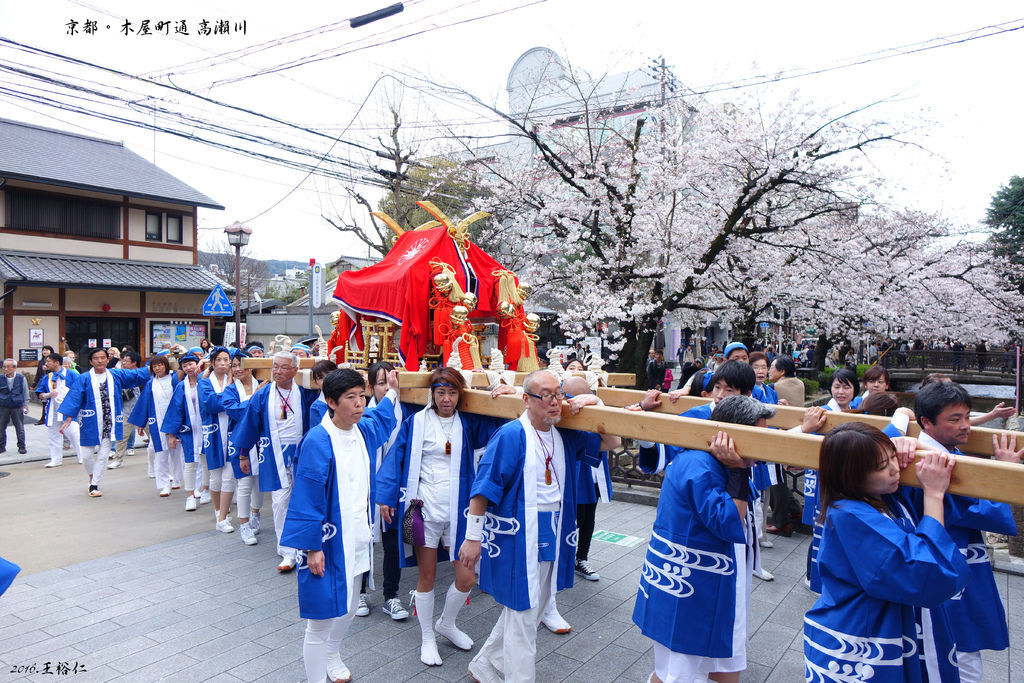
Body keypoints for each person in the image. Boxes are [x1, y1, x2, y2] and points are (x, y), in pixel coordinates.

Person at [461, 370, 612, 683]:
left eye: (558, 393)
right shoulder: (510, 435)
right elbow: (483, 489)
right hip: (519, 532)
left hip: (555, 528)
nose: (555, 402)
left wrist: (596, 400)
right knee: (524, 614)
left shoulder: (565, 433)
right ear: (526, 400)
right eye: (546, 395)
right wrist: (472, 538)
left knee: (533, 606)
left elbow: (612, 441)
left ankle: (485, 663)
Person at [804, 422, 969, 682]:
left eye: (894, 457)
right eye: (882, 466)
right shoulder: (851, 515)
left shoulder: (879, 496)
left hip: (869, 627)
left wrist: (914, 444)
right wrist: (934, 495)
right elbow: (929, 571)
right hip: (864, 637)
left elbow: (904, 418)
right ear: (851, 475)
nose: (895, 470)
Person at [633, 396, 775, 683]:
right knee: (676, 674)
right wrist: (738, 471)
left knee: (724, 667)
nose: (765, 443)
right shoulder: (699, 465)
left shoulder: (716, 460)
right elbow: (728, 521)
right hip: (689, 591)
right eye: (759, 434)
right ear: (732, 433)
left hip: (714, 587)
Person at [376, 368, 513, 665]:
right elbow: (395, 456)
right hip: (420, 510)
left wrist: (507, 393)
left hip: (460, 510)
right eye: (440, 392)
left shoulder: (469, 422)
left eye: (452, 392)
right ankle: (427, 637)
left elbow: (504, 427)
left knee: (466, 577)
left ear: (460, 394)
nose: (446, 398)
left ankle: (446, 623)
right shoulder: (417, 421)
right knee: (426, 576)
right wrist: (386, 495)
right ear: (432, 393)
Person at [281, 368, 401, 683]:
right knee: (320, 620)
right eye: (351, 398)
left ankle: (333, 654)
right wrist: (312, 548)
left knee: (349, 604)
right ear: (332, 402)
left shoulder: (363, 429)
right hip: (328, 541)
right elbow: (306, 496)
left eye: (362, 396)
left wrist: (390, 393)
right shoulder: (318, 439)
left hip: (358, 535)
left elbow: (383, 420)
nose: (360, 404)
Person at [912, 381, 1022, 682]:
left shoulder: (938, 449)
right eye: (955, 419)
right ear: (926, 422)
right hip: (944, 563)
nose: (966, 426)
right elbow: (987, 514)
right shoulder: (934, 462)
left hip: (948, 559)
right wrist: (1004, 474)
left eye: (967, 416)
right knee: (957, 657)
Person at [230, 350, 322, 572]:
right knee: (280, 502)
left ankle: (306, 546)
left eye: (283, 367)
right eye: (275, 367)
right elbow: (249, 424)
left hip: (302, 452)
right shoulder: (263, 395)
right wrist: (243, 454)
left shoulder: (304, 392)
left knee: (304, 500)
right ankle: (287, 550)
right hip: (274, 453)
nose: (278, 372)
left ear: (294, 370)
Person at [357, 361, 415, 621]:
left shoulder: (408, 411)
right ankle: (359, 592)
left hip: (393, 491)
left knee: (393, 546)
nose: (388, 387)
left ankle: (391, 596)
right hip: (366, 491)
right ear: (371, 387)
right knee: (362, 541)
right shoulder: (363, 414)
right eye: (381, 383)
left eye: (390, 382)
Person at [58, 347, 150, 497]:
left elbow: (136, 374)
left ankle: (94, 484)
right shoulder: (84, 378)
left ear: (108, 360)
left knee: (103, 455)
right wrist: (68, 419)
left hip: (110, 422)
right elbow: (74, 398)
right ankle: (91, 475)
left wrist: (158, 365)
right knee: (86, 455)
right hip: (90, 422)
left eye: (102, 358)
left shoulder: (116, 375)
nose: (100, 361)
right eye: (96, 358)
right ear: (90, 361)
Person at [566, 375, 621, 584]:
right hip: (573, 473)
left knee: (588, 517)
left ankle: (581, 558)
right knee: (573, 519)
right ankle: (565, 557)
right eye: (571, 369)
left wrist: (597, 403)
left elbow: (614, 441)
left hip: (592, 470)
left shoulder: (594, 406)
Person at [223, 348, 267, 546]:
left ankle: (255, 514)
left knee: (259, 482)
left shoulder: (264, 384)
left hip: (261, 440)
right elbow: (233, 411)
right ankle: (243, 524)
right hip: (241, 441)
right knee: (244, 483)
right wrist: (254, 397)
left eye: (239, 364)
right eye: (233, 366)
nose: (236, 368)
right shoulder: (231, 390)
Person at [198, 347, 240, 533]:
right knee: (215, 476)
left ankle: (223, 517)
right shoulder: (205, 383)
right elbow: (210, 404)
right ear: (212, 363)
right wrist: (230, 395)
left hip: (232, 431)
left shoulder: (237, 381)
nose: (223, 363)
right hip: (214, 432)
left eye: (226, 359)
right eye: (219, 360)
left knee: (229, 476)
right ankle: (217, 511)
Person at [128, 354, 180, 496]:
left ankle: (177, 479)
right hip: (157, 421)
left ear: (166, 365)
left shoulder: (175, 378)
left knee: (177, 452)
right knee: (161, 453)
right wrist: (141, 423)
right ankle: (164, 484)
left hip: (175, 420)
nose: (157, 368)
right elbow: (144, 403)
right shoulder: (151, 383)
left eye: (160, 365)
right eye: (154, 366)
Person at [161, 354, 208, 510]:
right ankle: (190, 496)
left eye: (191, 364)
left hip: (206, 428)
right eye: (185, 365)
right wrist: (172, 435)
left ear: (198, 364)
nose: (189, 368)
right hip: (189, 431)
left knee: (207, 462)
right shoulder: (181, 386)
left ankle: (206, 489)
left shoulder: (206, 381)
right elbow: (175, 410)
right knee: (190, 463)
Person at [36, 353, 79, 468]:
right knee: (53, 435)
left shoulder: (72, 374)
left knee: (74, 434)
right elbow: (39, 394)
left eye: (48, 361)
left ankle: (82, 456)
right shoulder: (47, 377)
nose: (46, 364)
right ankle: (55, 459)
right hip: (52, 410)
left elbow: (80, 391)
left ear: (56, 362)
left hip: (68, 411)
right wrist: (48, 395)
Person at [108, 351, 143, 470]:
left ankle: (157, 463)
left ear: (134, 363)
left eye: (126, 361)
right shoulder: (120, 374)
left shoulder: (143, 375)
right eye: (122, 361)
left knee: (154, 437)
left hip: (143, 411)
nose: (123, 363)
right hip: (126, 410)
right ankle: (118, 459)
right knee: (121, 436)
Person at [0, 359, 29, 455]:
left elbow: (25, 392)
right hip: (3, 405)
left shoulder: (21, 378)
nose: (6, 369)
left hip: (17, 405)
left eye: (8, 366)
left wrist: (25, 404)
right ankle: (1, 446)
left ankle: (21, 446)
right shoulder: (1, 378)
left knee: (19, 427)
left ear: (15, 368)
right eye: (4, 367)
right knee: (1, 427)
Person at [32, 345, 55, 425]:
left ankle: (47, 418)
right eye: (43, 350)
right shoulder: (41, 361)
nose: (45, 351)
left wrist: (48, 369)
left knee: (50, 402)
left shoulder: (54, 361)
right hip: (43, 384)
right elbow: (38, 374)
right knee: (44, 402)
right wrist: (34, 384)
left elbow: (55, 371)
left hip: (52, 383)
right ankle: (43, 418)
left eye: (47, 350)